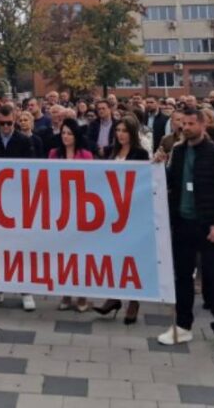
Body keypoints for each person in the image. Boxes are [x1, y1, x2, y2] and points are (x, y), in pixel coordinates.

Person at [157, 108, 214, 355]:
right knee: (182, 276)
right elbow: (171, 180)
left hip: (209, 225)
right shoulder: (178, 152)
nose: (186, 127)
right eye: (183, 123)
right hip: (183, 223)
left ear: (203, 125)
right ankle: (183, 325)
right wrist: (158, 168)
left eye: (191, 123)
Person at [0, 105, 37, 311]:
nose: (5, 127)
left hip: (18, 202)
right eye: (1, 124)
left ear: (16, 120)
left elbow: (32, 170)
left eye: (9, 123)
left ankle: (26, 290)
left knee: (21, 246)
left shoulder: (24, 141)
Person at [94, 115, 151, 324]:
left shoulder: (140, 153)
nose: (120, 135)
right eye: (118, 131)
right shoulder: (111, 152)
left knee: (132, 258)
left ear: (132, 133)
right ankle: (114, 297)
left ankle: (134, 301)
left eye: (124, 131)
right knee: (114, 256)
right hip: (111, 212)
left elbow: (143, 180)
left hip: (132, 211)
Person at [48, 117, 95, 312]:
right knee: (63, 254)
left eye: (69, 133)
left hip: (80, 208)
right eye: (63, 133)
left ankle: (82, 295)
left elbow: (92, 180)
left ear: (76, 136)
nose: (66, 136)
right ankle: (66, 294)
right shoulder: (54, 154)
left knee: (80, 254)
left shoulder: (85, 155)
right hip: (59, 209)